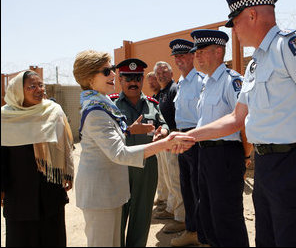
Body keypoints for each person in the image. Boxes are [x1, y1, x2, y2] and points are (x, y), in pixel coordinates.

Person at [172, 0, 296, 247]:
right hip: (266, 165)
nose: (234, 30)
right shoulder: (255, 64)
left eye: (235, 22)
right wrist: (188, 135)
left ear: (252, 15)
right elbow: (237, 118)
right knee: (268, 239)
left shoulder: (290, 47)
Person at [72, 50, 195, 247]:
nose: (113, 75)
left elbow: (156, 124)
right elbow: (118, 151)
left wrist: (134, 131)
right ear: (89, 78)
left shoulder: (103, 105)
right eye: (107, 72)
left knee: (140, 215)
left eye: (112, 70)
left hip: (133, 171)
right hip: (109, 183)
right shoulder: (100, 108)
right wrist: (164, 143)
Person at [189, 29, 250, 247]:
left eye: (202, 51)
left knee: (226, 215)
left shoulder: (231, 81)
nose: (197, 55)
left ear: (218, 52)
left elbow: (244, 120)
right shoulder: (207, 83)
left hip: (225, 155)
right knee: (207, 212)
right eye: (196, 51)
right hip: (205, 154)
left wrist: (246, 154)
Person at [1, 70, 74, 246]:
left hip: (50, 193)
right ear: (19, 91)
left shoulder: (53, 111)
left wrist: (67, 172)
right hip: (18, 197)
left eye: (40, 85)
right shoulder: (5, 118)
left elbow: (66, 144)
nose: (39, 89)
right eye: (31, 87)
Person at [115, 58, 169, 247]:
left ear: (142, 79)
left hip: (146, 169)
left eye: (137, 78)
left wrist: (163, 132)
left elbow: (163, 125)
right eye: (128, 78)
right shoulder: (111, 104)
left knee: (142, 216)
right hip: (119, 168)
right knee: (117, 218)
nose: (133, 82)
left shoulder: (152, 104)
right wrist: (128, 129)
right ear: (120, 79)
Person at [168, 39, 206, 247]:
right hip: (181, 138)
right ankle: (191, 230)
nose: (179, 60)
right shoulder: (180, 84)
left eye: (183, 55)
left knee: (199, 188)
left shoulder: (201, 81)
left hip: (196, 138)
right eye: (176, 57)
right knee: (186, 188)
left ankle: (204, 234)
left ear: (192, 56)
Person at [153, 61, 186, 234]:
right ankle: (171, 209)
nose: (161, 75)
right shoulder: (162, 92)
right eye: (158, 73)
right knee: (167, 177)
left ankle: (181, 218)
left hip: (174, 139)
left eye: (164, 72)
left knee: (175, 179)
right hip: (165, 140)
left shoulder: (174, 89)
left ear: (171, 73)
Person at [146, 70, 169, 209]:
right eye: (149, 83)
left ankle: (169, 203)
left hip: (167, 137)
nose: (152, 84)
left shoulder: (166, 94)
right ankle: (162, 197)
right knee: (161, 171)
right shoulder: (155, 97)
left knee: (169, 174)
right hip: (157, 139)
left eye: (153, 81)